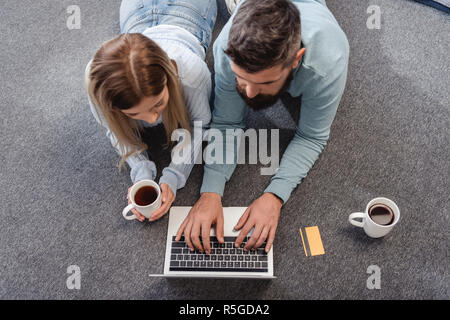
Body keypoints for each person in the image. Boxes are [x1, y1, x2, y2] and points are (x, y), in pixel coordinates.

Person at [176, 0, 349, 254]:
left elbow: (311, 137)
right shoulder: (226, 47)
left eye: (264, 82)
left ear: (295, 60)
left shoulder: (328, 62)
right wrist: (210, 192)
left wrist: (275, 196)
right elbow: (227, 122)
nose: (249, 94)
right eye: (240, 77)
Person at [85, 0, 217, 222]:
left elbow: (200, 124)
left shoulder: (191, 74)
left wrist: (174, 176)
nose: (153, 119)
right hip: (136, 14)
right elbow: (113, 131)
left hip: (190, 12)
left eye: (157, 104)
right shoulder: (97, 85)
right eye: (135, 114)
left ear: (171, 76)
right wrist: (140, 172)